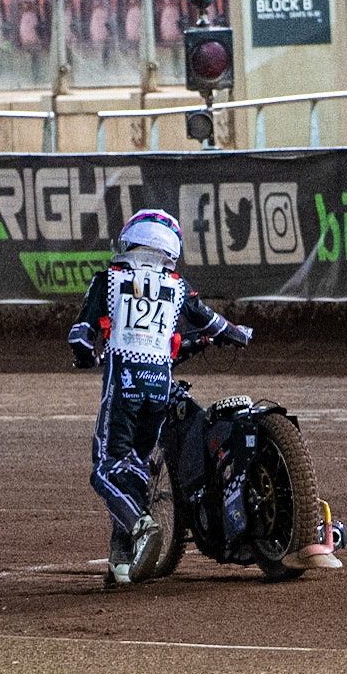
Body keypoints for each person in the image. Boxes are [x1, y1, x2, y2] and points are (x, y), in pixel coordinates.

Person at [69, 209, 252, 589]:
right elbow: (211, 321)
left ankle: (141, 527)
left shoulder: (109, 279)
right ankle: (122, 562)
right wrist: (238, 334)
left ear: (133, 241)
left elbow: (81, 335)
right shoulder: (177, 286)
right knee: (137, 467)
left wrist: (86, 356)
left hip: (124, 386)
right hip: (158, 388)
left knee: (105, 468)